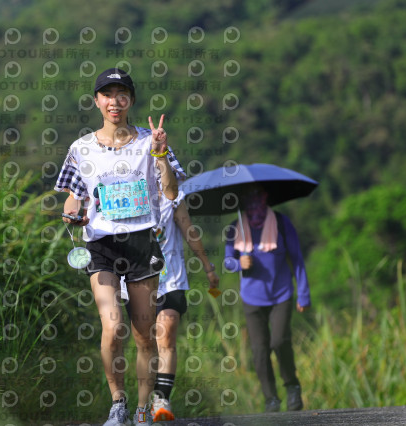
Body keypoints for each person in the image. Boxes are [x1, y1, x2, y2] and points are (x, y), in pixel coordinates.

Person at [54, 68, 185, 426]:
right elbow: (73, 197)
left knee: (144, 335)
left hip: (142, 242)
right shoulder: (81, 148)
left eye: (121, 94)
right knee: (112, 327)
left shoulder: (150, 142)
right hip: (101, 244)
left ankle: (143, 409)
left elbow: (171, 192)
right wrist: (72, 213)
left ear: (131, 100)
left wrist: (161, 154)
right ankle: (118, 403)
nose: (115, 101)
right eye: (107, 94)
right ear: (97, 101)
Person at [223, 184, 311, 413]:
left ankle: (292, 385)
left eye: (258, 198)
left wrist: (303, 294)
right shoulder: (235, 227)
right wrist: (238, 263)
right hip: (252, 298)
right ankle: (271, 397)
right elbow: (227, 261)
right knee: (260, 350)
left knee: (279, 341)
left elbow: (297, 259)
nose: (255, 204)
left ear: (266, 198)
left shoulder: (281, 223)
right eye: (249, 199)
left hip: (281, 294)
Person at [147, 186, 220, 421]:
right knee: (146, 343)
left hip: (171, 280)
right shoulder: (128, 192)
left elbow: (190, 232)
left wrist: (208, 268)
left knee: (166, 335)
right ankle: (140, 401)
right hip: (138, 280)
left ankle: (161, 399)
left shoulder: (173, 199)